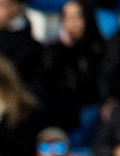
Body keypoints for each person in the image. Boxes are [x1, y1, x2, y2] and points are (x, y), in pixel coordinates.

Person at [41, 1, 105, 133]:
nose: (72, 23)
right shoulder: (53, 50)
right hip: (57, 110)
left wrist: (72, 51)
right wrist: (65, 49)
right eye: (67, 17)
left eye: (77, 17)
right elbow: (49, 80)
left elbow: (89, 86)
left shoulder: (100, 49)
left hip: (87, 109)